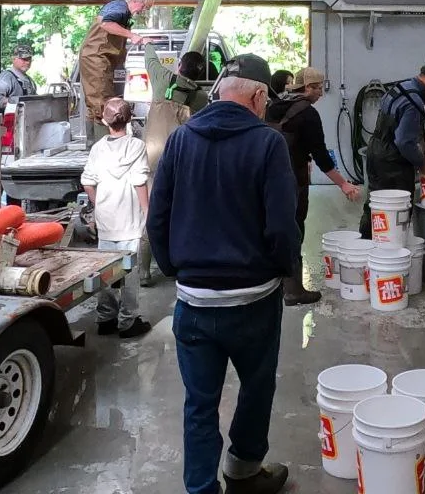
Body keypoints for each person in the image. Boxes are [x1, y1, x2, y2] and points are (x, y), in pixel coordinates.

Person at [148, 54, 299, 494]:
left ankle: (201, 488)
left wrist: (176, 268)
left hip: (194, 303)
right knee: (256, 388)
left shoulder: (180, 140)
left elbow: (157, 217)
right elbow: (282, 226)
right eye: (265, 99)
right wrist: (284, 270)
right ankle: (243, 471)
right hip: (253, 300)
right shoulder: (268, 144)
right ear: (257, 95)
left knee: (200, 403)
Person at [266, 67, 362, 307]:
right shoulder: (308, 114)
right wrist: (344, 184)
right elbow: (320, 155)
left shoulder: (271, 107)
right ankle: (294, 291)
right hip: (293, 180)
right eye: (318, 88)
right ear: (307, 88)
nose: (321, 93)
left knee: (271, 228)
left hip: (265, 179)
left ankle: (272, 285)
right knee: (295, 229)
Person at [81, 97, 153, 339]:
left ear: (104, 121)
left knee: (106, 272)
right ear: (130, 120)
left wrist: (97, 203)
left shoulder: (98, 149)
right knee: (128, 274)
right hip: (129, 219)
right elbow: (139, 181)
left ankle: (105, 318)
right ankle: (128, 321)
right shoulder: (136, 147)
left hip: (106, 219)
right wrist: (147, 212)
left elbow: (88, 182)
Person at [139, 49, 211, 287]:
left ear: (179, 65)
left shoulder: (162, 80)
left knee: (151, 214)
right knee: (183, 212)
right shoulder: (200, 98)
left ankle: (144, 272)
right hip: (182, 159)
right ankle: (181, 263)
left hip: (154, 158)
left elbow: (150, 59)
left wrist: (147, 44)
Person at [360, 61, 425, 238]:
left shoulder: (398, 88)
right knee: (395, 208)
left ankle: (366, 243)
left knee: (375, 201)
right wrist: (421, 162)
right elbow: (404, 141)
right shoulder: (413, 101)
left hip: (375, 149)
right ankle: (389, 248)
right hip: (392, 161)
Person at [78, 0, 154, 144]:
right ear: (136, 0)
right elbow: (106, 23)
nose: (143, 11)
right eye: (145, 6)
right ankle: (105, 146)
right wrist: (132, 35)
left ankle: (93, 145)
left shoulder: (123, 13)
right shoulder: (119, 8)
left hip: (101, 58)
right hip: (97, 57)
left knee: (95, 103)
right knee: (102, 102)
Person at [0, 44, 37, 113]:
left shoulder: (30, 81)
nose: (28, 62)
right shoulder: (6, 78)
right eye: (24, 59)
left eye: (29, 59)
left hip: (24, 121)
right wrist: (16, 103)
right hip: (6, 122)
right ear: (14, 59)